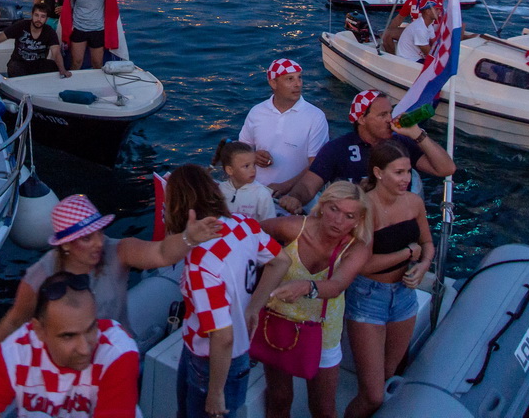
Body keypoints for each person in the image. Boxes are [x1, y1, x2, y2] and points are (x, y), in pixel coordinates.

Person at [0, 194, 222, 378]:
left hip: (111, 360)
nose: (99, 243)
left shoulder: (119, 251)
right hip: (65, 368)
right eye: (86, 238)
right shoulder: (41, 275)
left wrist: (188, 238)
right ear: (66, 245)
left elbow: (160, 253)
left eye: (98, 233)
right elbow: (15, 318)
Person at [246, 182, 373, 418]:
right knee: (279, 398)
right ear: (322, 206)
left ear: (358, 220)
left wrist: (306, 287)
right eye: (334, 209)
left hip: (323, 333)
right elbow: (250, 232)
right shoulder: (293, 228)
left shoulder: (357, 249)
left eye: (349, 216)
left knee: (323, 409)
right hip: (278, 323)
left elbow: (337, 285)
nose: (338, 221)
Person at [170, 164, 284, 418]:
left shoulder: (201, 262)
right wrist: (253, 308)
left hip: (210, 361)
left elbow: (222, 336)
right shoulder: (244, 225)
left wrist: (215, 393)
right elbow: (280, 261)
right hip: (228, 354)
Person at [0, 271, 140, 418]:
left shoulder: (117, 353)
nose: (85, 349)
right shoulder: (14, 352)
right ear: (39, 331)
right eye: (68, 336)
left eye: (90, 328)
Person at [344, 141, 434, 418]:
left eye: (408, 172)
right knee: (372, 395)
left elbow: (427, 243)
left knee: (387, 375)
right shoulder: (365, 209)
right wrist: (408, 253)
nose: (406, 178)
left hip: (404, 295)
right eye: (398, 172)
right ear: (378, 173)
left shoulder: (414, 203)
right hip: (368, 296)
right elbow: (362, 265)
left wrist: (423, 265)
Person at [278, 91, 455, 215]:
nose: (390, 120)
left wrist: (417, 134)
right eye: (382, 115)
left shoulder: (401, 144)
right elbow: (309, 185)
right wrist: (295, 198)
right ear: (362, 119)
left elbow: (446, 169)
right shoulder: (337, 149)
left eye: (390, 113)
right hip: (352, 224)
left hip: (395, 219)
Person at [239, 59, 330, 196]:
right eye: (290, 79)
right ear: (273, 83)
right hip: (257, 195)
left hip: (298, 198)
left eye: (299, 78)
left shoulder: (315, 117)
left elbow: (318, 165)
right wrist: (253, 156)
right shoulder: (256, 112)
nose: (298, 84)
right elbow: (241, 150)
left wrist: (287, 186)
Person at [0, 3, 71, 79]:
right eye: (36, 15)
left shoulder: (49, 32)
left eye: (43, 17)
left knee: (53, 66)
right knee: (14, 67)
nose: (39, 19)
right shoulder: (21, 26)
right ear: (32, 15)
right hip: (19, 63)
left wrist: (62, 70)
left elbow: (56, 52)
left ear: (46, 19)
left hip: (38, 64)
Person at [213, 139, 274, 221]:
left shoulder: (262, 194)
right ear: (230, 170)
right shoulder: (220, 191)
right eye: (246, 166)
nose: (253, 170)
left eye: (254, 164)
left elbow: (270, 223)